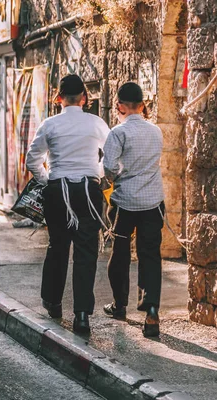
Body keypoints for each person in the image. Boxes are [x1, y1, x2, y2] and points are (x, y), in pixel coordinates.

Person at [26, 74, 110, 334]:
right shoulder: (97, 123)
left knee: (58, 247)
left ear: (59, 97)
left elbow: (33, 160)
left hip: (58, 190)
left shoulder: (49, 125)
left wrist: (49, 179)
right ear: (85, 98)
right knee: (86, 252)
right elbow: (111, 155)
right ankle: (82, 315)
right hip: (87, 190)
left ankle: (53, 303)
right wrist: (96, 173)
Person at [102, 82, 165, 338]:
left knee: (119, 253)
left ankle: (119, 305)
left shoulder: (118, 132)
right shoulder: (156, 131)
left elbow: (108, 168)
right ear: (142, 105)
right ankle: (151, 313)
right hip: (152, 202)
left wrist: (120, 173)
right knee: (150, 255)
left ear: (119, 105)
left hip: (125, 203)